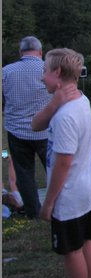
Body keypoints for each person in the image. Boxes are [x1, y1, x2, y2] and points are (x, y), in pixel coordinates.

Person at [31, 48, 91, 278]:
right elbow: (35, 125)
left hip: (69, 196)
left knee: (72, 251)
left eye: (44, 71)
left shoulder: (65, 117)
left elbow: (63, 163)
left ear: (57, 72)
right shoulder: (81, 99)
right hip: (89, 189)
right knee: (87, 241)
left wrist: (48, 202)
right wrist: (54, 103)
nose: (42, 77)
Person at [2, 36, 52, 219]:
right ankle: (63, 206)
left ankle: (33, 212)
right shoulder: (48, 69)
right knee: (54, 169)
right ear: (40, 52)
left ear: (20, 52)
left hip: (17, 132)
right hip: (46, 130)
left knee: (24, 174)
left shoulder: (6, 71)